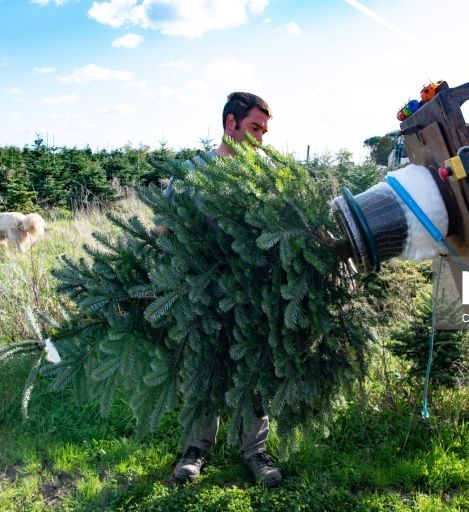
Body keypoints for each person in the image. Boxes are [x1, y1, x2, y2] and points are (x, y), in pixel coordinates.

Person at [170, 92, 282, 488]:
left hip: (251, 297)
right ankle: (196, 447)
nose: (260, 139)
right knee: (203, 372)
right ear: (230, 124)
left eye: (264, 131)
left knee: (253, 374)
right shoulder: (193, 172)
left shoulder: (265, 176)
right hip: (202, 295)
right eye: (254, 128)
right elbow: (165, 227)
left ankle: (256, 451)